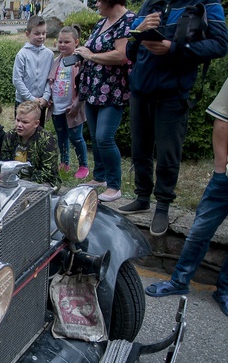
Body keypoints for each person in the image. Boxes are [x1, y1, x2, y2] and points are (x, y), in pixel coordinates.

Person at [118, 0, 228, 236]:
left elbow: (220, 44)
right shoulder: (152, 3)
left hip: (173, 94)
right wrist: (140, 26)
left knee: (168, 153)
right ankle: (142, 197)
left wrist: (174, 48)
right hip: (141, 90)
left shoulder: (206, 3)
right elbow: (130, 50)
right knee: (140, 150)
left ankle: (163, 205)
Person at [143, 78, 228, 317]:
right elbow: (222, 121)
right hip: (226, 178)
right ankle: (179, 280)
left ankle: (225, 291)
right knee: (200, 230)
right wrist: (221, 168)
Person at [74, 0, 135, 203]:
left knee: (104, 137)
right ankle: (99, 177)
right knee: (94, 135)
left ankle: (114, 186)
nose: (97, 3)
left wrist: (91, 55)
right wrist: (82, 54)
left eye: (99, 0)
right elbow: (95, 50)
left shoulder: (128, 21)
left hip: (113, 90)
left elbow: (122, 55)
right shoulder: (103, 22)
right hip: (93, 87)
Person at [48, 25, 89, 179]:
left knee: (76, 137)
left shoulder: (80, 62)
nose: (63, 45)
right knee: (61, 136)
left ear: (76, 42)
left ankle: (83, 165)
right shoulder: (55, 62)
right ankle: (64, 162)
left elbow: (83, 85)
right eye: (60, 42)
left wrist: (77, 104)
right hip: (57, 107)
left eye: (67, 42)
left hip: (73, 107)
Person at [1, 100, 60, 187]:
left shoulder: (47, 140)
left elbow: (48, 172)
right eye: (17, 120)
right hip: (14, 180)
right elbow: (5, 161)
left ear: (36, 123)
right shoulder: (10, 136)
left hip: (42, 182)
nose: (19, 125)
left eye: (25, 122)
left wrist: (24, 184)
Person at [13, 16, 53, 128]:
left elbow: (50, 79)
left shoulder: (49, 54)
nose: (41, 37)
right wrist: (31, 98)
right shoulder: (22, 54)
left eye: (43, 33)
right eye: (37, 34)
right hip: (23, 101)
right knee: (22, 129)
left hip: (41, 102)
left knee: (38, 130)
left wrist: (45, 97)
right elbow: (17, 80)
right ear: (27, 34)